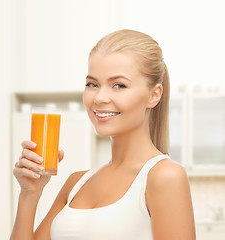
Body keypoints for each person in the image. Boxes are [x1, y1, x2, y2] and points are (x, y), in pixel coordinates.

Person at [10, 29, 196, 240]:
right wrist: (30, 193)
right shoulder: (76, 183)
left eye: (119, 85)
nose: (100, 97)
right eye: (92, 84)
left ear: (154, 95)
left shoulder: (164, 177)